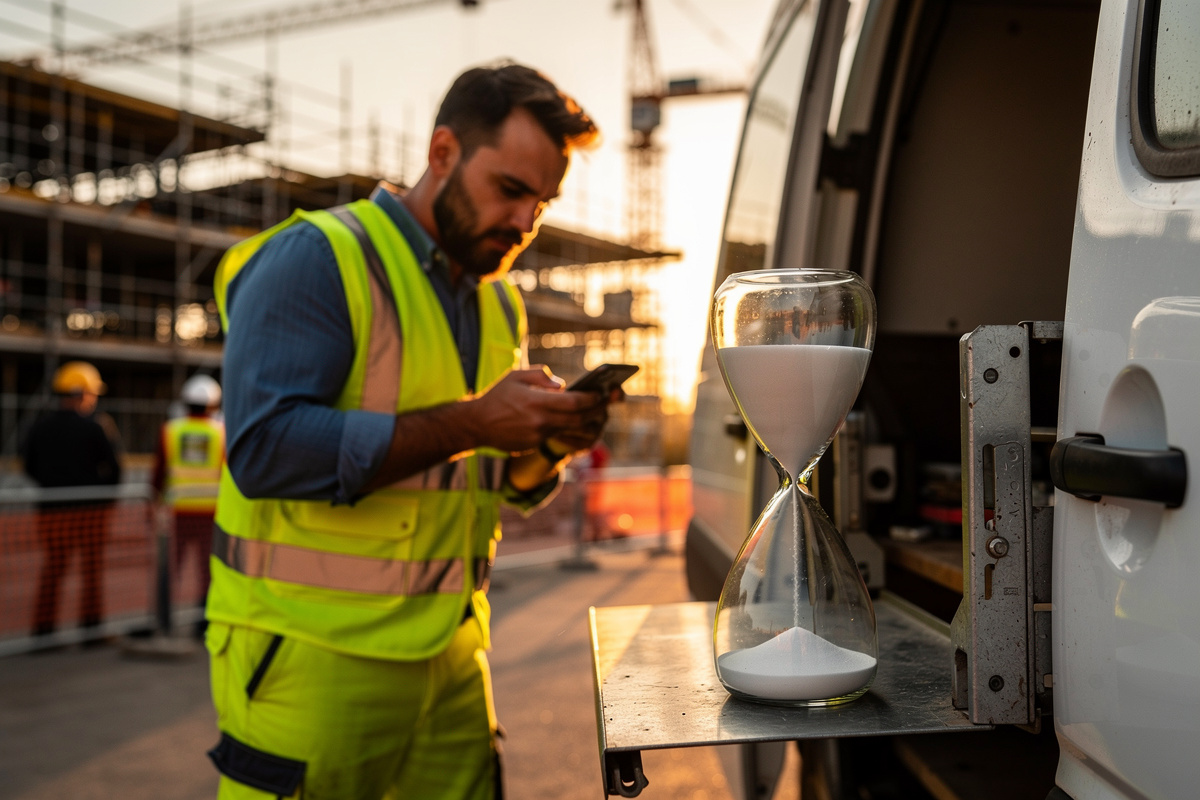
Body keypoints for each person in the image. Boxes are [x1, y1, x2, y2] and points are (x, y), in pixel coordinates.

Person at [205, 62, 610, 800]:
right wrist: (477, 419)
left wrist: (544, 445)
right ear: (443, 153)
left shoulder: (497, 306)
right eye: (511, 190)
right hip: (313, 664)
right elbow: (263, 453)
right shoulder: (318, 259)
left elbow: (482, 477)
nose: (526, 223)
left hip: (455, 658)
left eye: (543, 204)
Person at [22, 361, 123, 640]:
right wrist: (102, 498)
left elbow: (29, 466)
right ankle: (91, 629)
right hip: (89, 512)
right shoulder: (96, 427)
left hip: (51, 510)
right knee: (91, 570)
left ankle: (43, 633)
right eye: (91, 394)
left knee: (53, 570)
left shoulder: (40, 427)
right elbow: (114, 470)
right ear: (81, 394)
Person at [151, 374, 224, 627]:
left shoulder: (170, 430)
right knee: (207, 568)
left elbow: (158, 473)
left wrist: (152, 503)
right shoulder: (221, 433)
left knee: (172, 566)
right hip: (210, 512)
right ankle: (203, 619)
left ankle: (164, 619)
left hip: (177, 511)